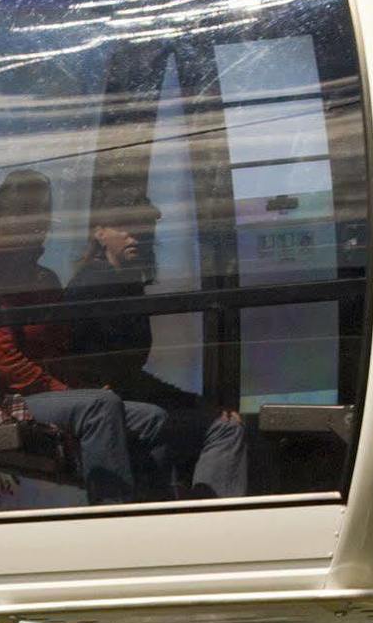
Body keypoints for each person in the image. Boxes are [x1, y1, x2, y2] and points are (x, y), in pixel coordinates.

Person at [0, 169, 144, 504]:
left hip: (48, 395)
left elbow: (60, 350)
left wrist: (81, 386)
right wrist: (66, 392)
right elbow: (2, 361)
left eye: (42, 213)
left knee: (150, 418)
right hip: (6, 399)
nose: (37, 222)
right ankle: (113, 516)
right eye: (25, 212)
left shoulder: (46, 278)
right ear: (4, 216)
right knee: (100, 407)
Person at [67, 182, 251, 499]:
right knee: (225, 430)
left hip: (120, 398)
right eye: (124, 227)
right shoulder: (96, 285)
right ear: (100, 233)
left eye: (144, 228)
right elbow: (108, 372)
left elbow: (125, 374)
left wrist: (193, 402)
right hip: (102, 406)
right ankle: (211, 521)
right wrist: (195, 403)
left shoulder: (125, 284)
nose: (135, 236)